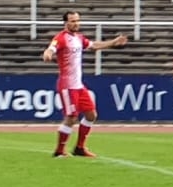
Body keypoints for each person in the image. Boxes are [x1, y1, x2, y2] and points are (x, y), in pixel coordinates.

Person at [42, 10, 128, 157]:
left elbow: (93, 46)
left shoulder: (79, 38)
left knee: (91, 114)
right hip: (67, 86)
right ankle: (59, 151)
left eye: (78, 20)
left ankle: (79, 148)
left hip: (78, 85)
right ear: (66, 23)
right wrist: (48, 54)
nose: (76, 23)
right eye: (73, 21)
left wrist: (113, 42)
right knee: (71, 117)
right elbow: (51, 48)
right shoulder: (61, 38)